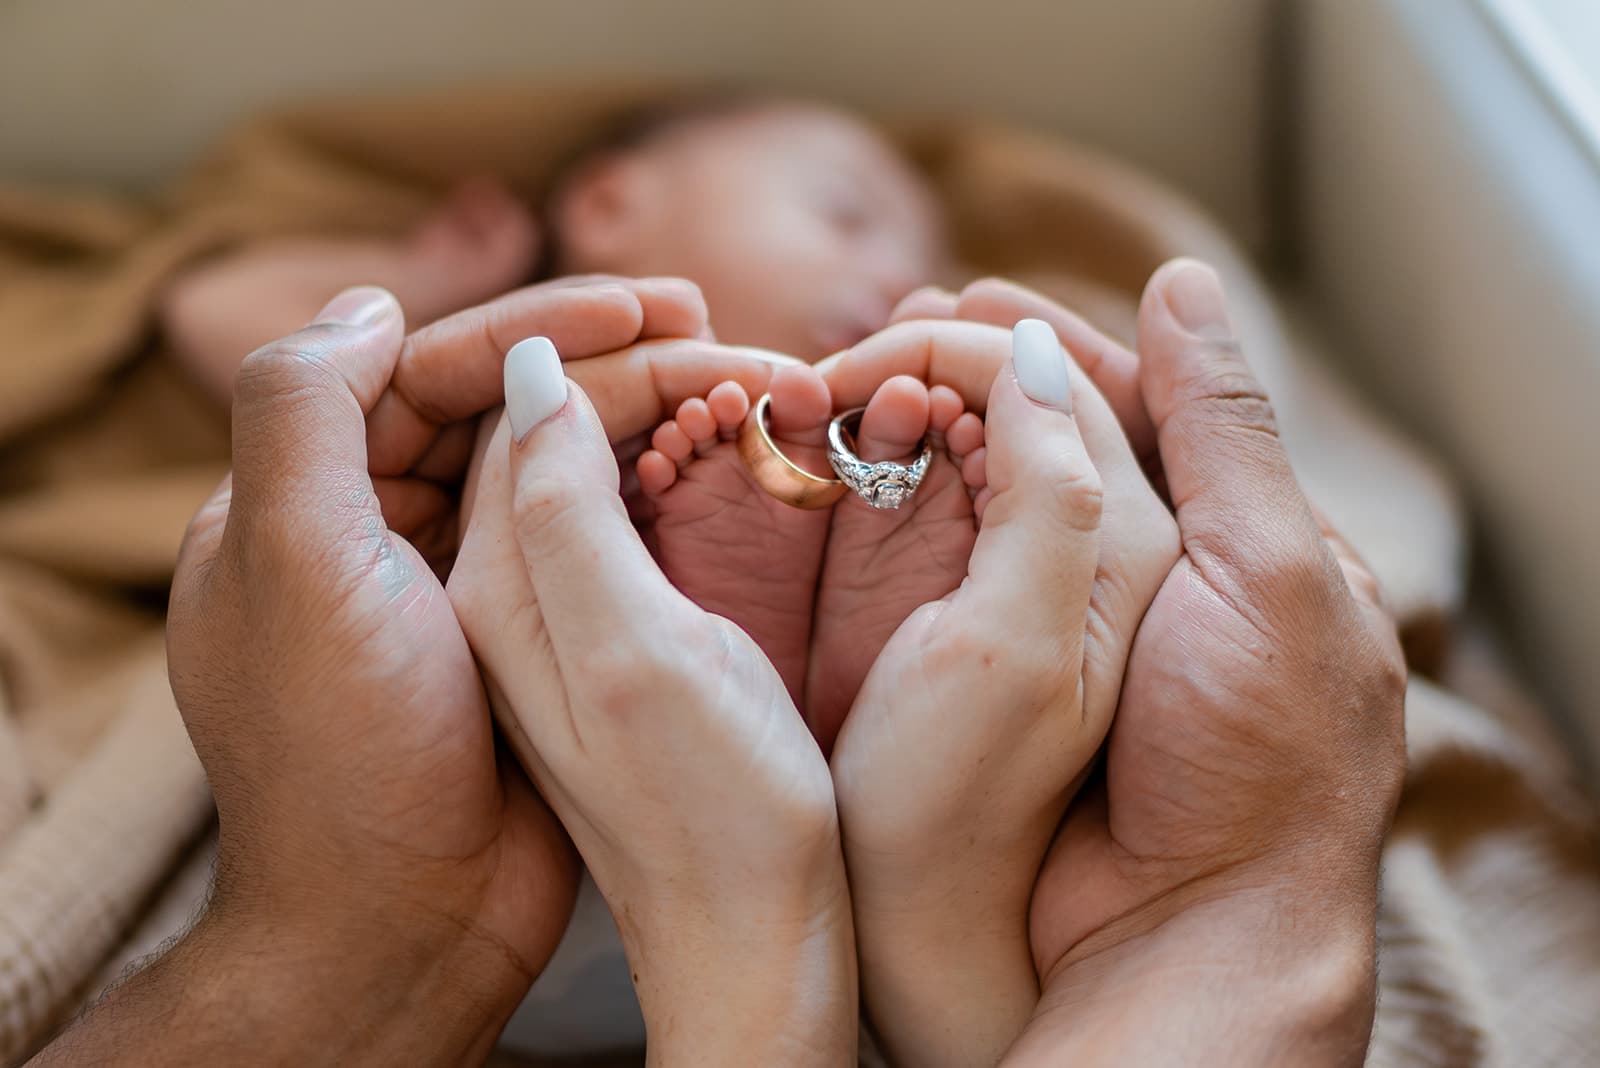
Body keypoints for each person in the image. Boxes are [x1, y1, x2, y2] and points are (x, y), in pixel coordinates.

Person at [30, 260, 1405, 1065]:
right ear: (612, 208)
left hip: (594, 866)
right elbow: (212, 299)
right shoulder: (523, 272)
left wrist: (356, 943)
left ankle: (874, 831)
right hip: (565, 843)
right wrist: (1240, 910)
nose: (882, 263)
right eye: (839, 206)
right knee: (1043, 666)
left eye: (907, 232)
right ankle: (932, 904)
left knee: (555, 634)